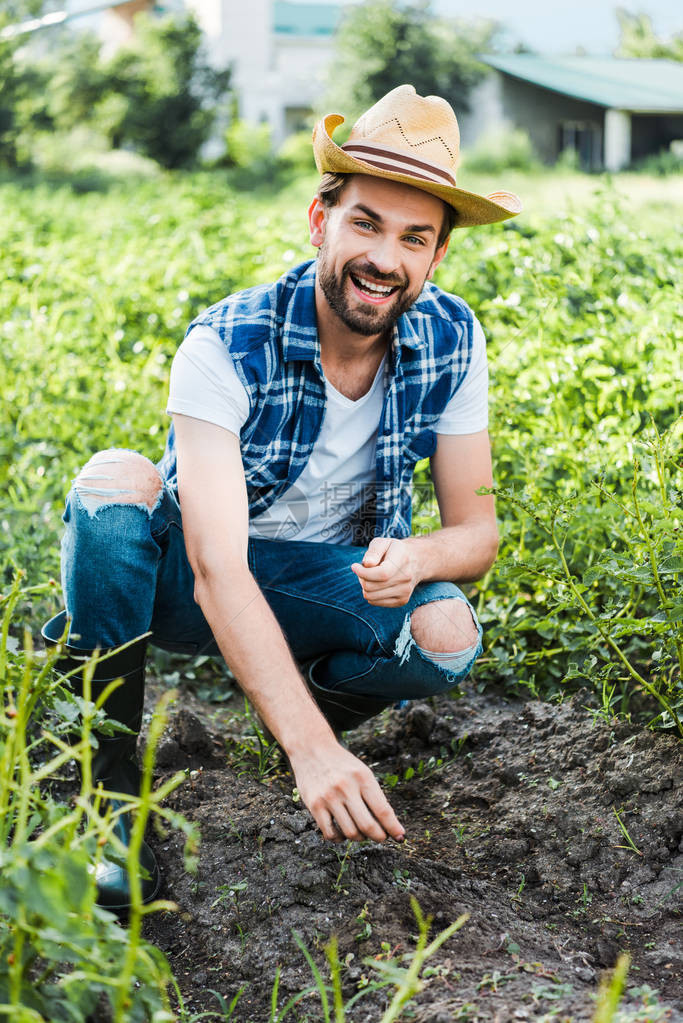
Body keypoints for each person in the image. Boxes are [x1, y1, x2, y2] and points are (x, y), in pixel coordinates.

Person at [42, 84, 521, 911]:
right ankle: (110, 790)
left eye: (414, 238)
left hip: (318, 584)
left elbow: (477, 532)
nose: (385, 257)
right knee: (114, 482)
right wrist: (314, 755)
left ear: (435, 257)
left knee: (445, 629)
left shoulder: (453, 335)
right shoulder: (227, 342)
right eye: (365, 222)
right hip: (188, 586)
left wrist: (418, 555)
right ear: (319, 220)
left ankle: (290, 703)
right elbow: (217, 566)